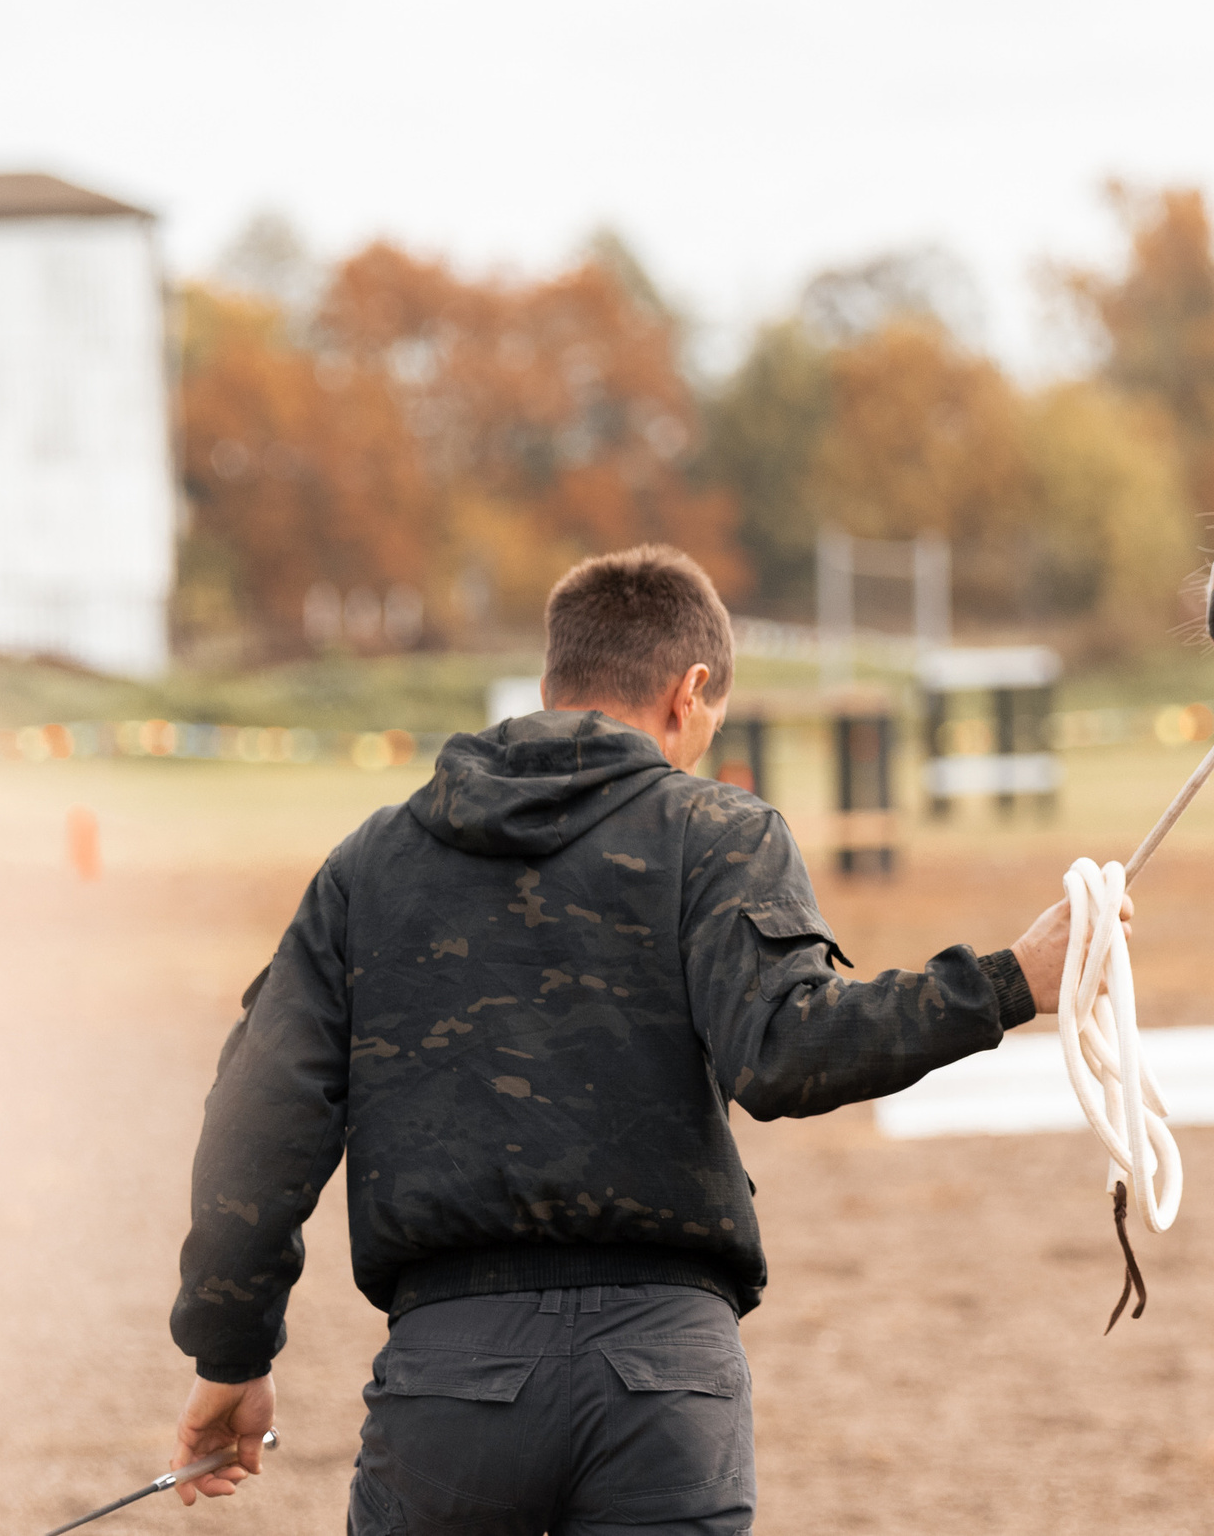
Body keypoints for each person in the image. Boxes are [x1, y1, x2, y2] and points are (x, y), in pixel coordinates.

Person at [166, 544, 1113, 1533]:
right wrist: (1010, 980)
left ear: (549, 682)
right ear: (688, 692)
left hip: (449, 1381)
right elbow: (790, 1049)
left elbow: (257, 1119)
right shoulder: (721, 833)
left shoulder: (369, 863)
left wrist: (231, 1352)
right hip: (665, 1385)